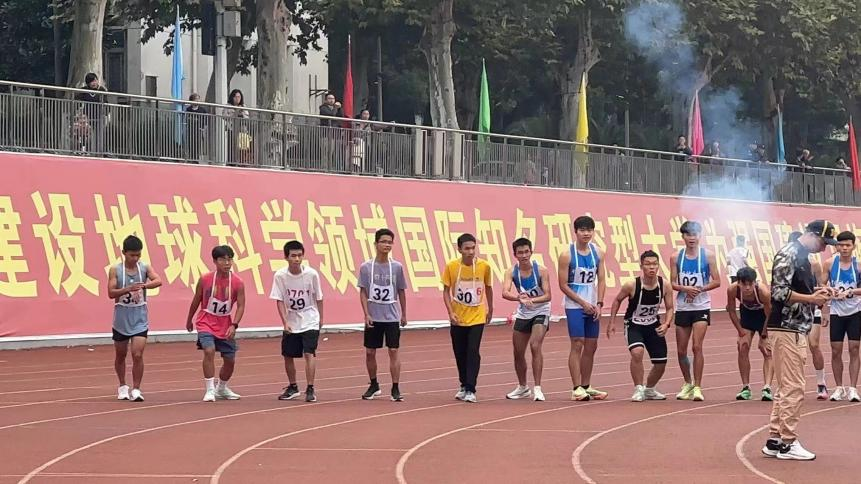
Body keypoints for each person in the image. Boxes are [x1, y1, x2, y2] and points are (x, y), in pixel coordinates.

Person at [762, 220, 834, 461]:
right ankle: (788, 442)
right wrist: (812, 299)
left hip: (794, 328)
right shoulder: (789, 254)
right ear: (811, 235)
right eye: (823, 242)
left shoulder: (803, 257)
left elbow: (800, 291)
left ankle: (775, 439)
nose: (824, 248)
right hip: (787, 327)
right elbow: (779, 292)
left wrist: (819, 294)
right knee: (794, 387)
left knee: (786, 386)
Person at [607, 250, 674, 402]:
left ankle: (649, 389)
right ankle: (638, 388)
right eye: (648, 264)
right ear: (641, 266)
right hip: (634, 324)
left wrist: (666, 324)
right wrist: (612, 322)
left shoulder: (665, 285)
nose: (652, 267)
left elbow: (670, 307)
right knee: (637, 352)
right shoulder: (632, 285)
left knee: (661, 363)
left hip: (653, 325)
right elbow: (617, 300)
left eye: (655, 264)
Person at [558, 216, 608, 401]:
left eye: (589, 230)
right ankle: (576, 387)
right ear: (576, 232)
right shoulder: (567, 255)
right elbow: (563, 284)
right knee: (577, 342)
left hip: (593, 304)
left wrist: (599, 304)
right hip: (574, 305)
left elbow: (601, 279)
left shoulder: (598, 253)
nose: (586, 234)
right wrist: (582, 303)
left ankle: (586, 385)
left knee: (592, 345)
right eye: (582, 230)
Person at [186, 245, 245, 402]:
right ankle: (210, 389)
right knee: (209, 350)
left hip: (225, 323)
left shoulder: (238, 282)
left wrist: (234, 325)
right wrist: (189, 319)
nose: (227, 263)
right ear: (215, 261)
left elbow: (241, 306)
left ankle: (222, 388)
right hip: (205, 321)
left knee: (230, 360)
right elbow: (196, 300)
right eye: (222, 260)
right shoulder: (205, 279)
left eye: (229, 259)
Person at [107, 235, 162, 402]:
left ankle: (136, 389)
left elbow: (158, 280)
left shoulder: (144, 268)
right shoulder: (115, 270)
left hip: (139, 318)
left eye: (138, 255)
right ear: (124, 253)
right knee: (121, 354)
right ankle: (122, 386)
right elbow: (111, 293)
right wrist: (128, 289)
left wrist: (144, 285)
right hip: (121, 319)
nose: (135, 258)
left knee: (137, 354)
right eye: (132, 255)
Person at [670, 220, 720, 401]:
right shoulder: (676, 257)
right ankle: (687, 383)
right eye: (688, 234)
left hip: (701, 306)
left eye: (695, 234)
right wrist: (685, 289)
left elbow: (717, 281)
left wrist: (699, 289)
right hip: (683, 306)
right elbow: (672, 282)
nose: (692, 238)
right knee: (681, 351)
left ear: (700, 236)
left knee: (697, 346)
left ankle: (698, 386)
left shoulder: (708, 256)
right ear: (683, 236)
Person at [270, 241, 324, 403]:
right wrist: (285, 322)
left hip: (310, 318)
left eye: (300, 255)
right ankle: (293, 386)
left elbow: (319, 297)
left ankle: (310, 388)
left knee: (309, 353)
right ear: (286, 257)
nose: (297, 259)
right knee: (288, 355)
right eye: (293, 256)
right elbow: (279, 299)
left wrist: (321, 318)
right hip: (292, 319)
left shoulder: (311, 274)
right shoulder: (280, 276)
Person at [442, 233, 493, 403]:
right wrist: (451, 312)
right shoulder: (451, 267)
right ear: (459, 249)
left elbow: (488, 287)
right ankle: (463, 384)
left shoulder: (484, 266)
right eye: (467, 249)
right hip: (458, 317)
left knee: (472, 351)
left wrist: (490, 308)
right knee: (460, 352)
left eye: (473, 248)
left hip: (477, 316)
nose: (471, 252)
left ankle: (471, 388)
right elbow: (446, 291)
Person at [358, 229, 408, 402]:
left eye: (389, 242)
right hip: (374, 316)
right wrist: (366, 314)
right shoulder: (366, 267)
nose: (387, 245)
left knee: (393, 350)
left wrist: (403, 314)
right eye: (383, 241)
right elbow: (363, 292)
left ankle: (395, 387)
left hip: (391, 316)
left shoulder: (397, 267)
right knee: (370, 352)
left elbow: (401, 290)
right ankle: (374, 384)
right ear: (376, 244)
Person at [502, 238, 552, 402]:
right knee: (518, 352)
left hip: (541, 310)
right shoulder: (511, 272)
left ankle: (537, 388)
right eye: (520, 253)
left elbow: (548, 295)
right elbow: (505, 292)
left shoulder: (541, 270)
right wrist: (519, 298)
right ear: (515, 254)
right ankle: (523, 387)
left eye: (526, 252)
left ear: (531, 252)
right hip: (524, 312)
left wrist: (532, 300)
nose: (524, 255)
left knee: (535, 345)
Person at [788, 231, 830, 399]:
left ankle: (821, 383)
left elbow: (822, 286)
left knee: (813, 345)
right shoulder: (786, 262)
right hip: (793, 312)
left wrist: (823, 309)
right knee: (794, 350)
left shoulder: (814, 264)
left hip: (813, 310)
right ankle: (793, 385)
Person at [726, 267, 774, 401]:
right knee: (742, 346)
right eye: (744, 284)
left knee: (767, 350)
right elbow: (731, 311)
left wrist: (764, 335)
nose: (747, 288)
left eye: (750, 284)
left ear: (755, 282)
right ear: (738, 283)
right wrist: (740, 331)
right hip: (747, 314)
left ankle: (767, 387)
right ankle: (745, 387)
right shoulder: (732, 289)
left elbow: (770, 314)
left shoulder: (763, 292)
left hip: (764, 316)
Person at [823, 231, 861, 402]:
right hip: (836, 312)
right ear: (836, 246)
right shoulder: (830, 264)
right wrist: (829, 292)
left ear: (853, 246)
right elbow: (821, 286)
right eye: (841, 245)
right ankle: (839, 387)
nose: (844, 248)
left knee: (854, 349)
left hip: (855, 311)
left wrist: (851, 292)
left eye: (848, 245)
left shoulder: (858, 265)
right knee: (836, 350)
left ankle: (853, 388)